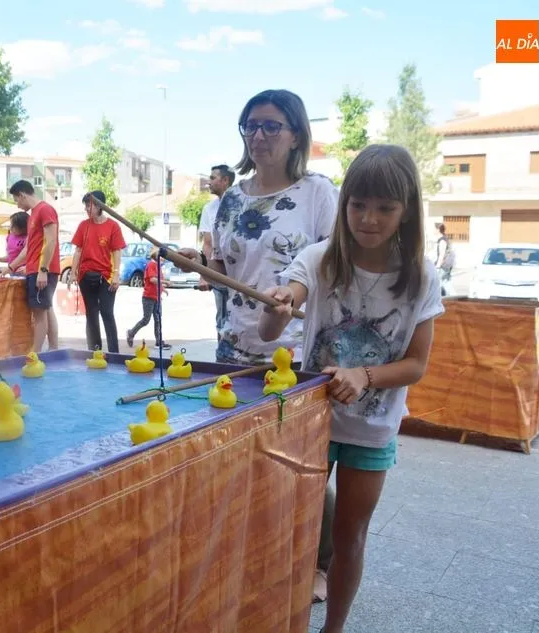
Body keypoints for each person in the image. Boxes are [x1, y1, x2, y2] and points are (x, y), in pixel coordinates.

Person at [258, 144, 444, 633]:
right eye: (358, 205)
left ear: (407, 212)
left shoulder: (423, 277)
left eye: (385, 207)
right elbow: (270, 329)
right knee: (291, 534)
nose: (368, 218)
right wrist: (279, 304)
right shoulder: (318, 259)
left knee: (350, 537)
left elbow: (416, 365)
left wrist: (364, 375)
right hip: (310, 422)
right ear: (344, 205)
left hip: (372, 429)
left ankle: (333, 628)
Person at [175, 88, 339, 602]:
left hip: (297, 350)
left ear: (296, 134)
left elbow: (335, 263)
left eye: (271, 126)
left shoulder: (318, 193)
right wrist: (194, 264)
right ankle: (253, 551)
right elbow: (224, 271)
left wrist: (292, 295)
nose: (258, 135)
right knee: (243, 458)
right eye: (250, 126)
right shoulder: (230, 199)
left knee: (303, 462)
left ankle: (318, 564)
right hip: (234, 347)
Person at [5, 180, 60, 352]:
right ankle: (53, 350)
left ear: (22, 195)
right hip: (35, 269)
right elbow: (29, 247)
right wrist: (11, 266)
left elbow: (51, 241)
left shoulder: (45, 210)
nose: (17, 205)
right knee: (46, 309)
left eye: (16, 200)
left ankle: (35, 354)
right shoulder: (33, 215)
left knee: (39, 313)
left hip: (41, 270)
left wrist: (43, 270)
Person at [71, 190, 127, 353]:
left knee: (107, 313)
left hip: (106, 276)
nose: (86, 209)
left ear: (99, 206)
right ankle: (95, 351)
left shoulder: (113, 226)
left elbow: (117, 251)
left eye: (89, 205)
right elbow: (78, 250)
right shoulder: (83, 225)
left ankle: (114, 353)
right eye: (85, 205)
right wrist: (73, 272)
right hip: (85, 275)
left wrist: (116, 274)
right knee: (91, 314)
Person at [197, 164, 235, 339]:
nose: (209, 182)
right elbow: (207, 244)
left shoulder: (242, 203)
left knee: (240, 318)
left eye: (213, 178)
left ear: (225, 180)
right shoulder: (209, 209)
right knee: (221, 320)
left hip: (240, 274)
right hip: (218, 272)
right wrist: (204, 275)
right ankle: (222, 353)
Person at [125, 248, 170, 350]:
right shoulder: (151, 265)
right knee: (146, 319)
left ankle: (159, 341)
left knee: (158, 319)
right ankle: (131, 333)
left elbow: (158, 282)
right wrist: (165, 282)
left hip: (157, 297)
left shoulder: (158, 266)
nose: (163, 259)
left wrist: (163, 289)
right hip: (148, 297)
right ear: (155, 255)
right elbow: (152, 279)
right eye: (161, 256)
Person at [0, 211, 28, 276]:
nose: (10, 227)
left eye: (13, 225)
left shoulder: (28, 238)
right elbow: (11, 256)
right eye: (11, 224)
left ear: (23, 227)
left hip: (24, 272)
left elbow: (31, 257)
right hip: (12, 271)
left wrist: (27, 267)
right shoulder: (9, 237)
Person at [434, 223, 454, 296]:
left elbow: (441, 255)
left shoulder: (442, 241)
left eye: (435, 229)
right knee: (446, 283)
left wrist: (437, 267)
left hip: (443, 266)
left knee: (441, 284)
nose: (433, 230)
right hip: (446, 266)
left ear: (438, 230)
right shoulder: (444, 239)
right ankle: (453, 297)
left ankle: (453, 297)